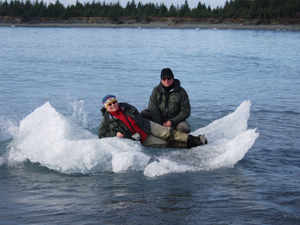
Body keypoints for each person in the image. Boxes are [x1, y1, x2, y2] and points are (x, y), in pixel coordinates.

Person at [98, 94, 207, 148]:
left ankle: (195, 139)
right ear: (106, 107)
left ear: (117, 102)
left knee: (168, 133)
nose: (113, 105)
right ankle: (193, 145)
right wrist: (115, 133)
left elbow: (137, 114)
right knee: (166, 143)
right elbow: (101, 135)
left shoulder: (126, 107)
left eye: (114, 102)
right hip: (142, 139)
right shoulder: (106, 120)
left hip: (147, 125)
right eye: (110, 104)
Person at [141, 68, 191, 133]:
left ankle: (177, 137)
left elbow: (186, 111)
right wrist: (159, 124)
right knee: (143, 113)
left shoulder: (181, 92)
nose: (166, 81)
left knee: (185, 127)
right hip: (159, 119)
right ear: (161, 80)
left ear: (173, 78)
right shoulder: (156, 90)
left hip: (175, 121)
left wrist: (172, 122)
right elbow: (153, 108)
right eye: (164, 79)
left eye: (169, 78)